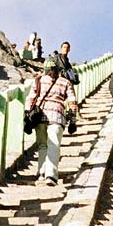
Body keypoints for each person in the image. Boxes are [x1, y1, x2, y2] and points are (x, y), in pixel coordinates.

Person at [25, 55, 77, 185]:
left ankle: (41, 173)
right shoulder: (66, 82)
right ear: (58, 69)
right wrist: (73, 120)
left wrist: (27, 115)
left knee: (43, 145)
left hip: (40, 116)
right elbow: (72, 103)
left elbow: (30, 99)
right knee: (54, 145)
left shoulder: (38, 80)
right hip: (57, 117)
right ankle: (51, 176)